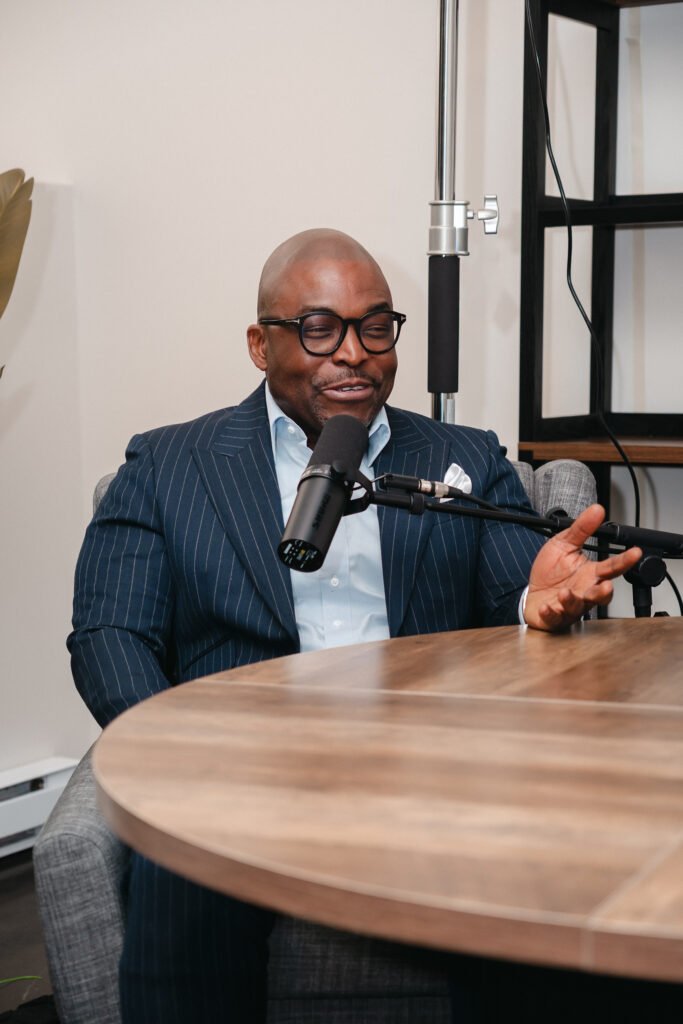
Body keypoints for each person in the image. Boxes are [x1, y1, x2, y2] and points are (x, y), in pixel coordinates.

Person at [68, 228, 642, 1022]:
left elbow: (514, 601)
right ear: (259, 345)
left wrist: (530, 603)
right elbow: (109, 635)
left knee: (550, 875)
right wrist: (177, 757)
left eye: (375, 327)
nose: (353, 353)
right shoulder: (169, 465)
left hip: (434, 769)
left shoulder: (463, 458)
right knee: (182, 870)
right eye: (318, 328)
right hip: (238, 770)